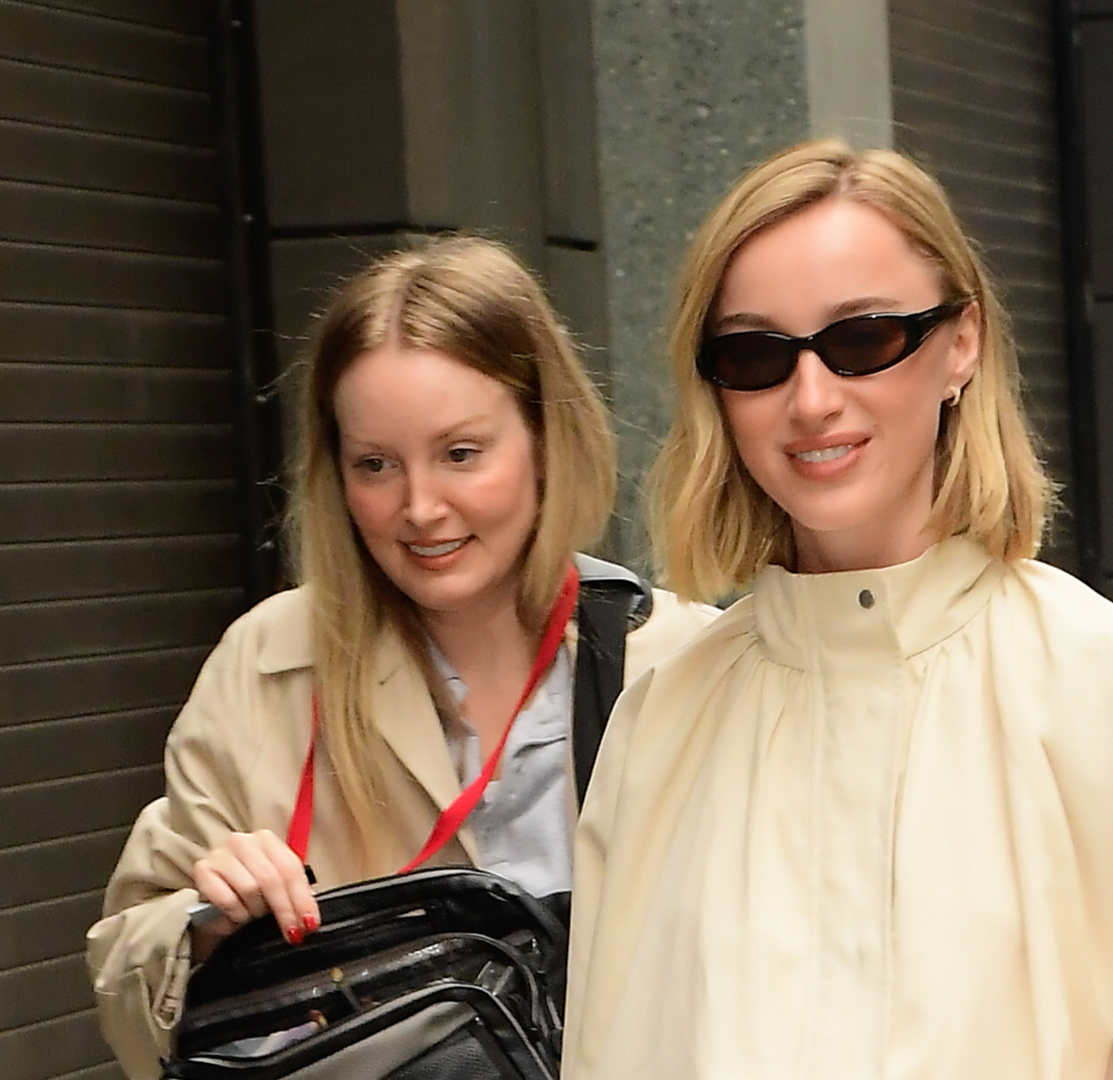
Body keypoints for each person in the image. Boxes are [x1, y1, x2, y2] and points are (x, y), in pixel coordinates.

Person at [561, 140, 1113, 1080]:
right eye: (756, 354)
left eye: (862, 340)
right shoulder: (659, 722)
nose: (811, 399)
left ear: (960, 344)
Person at [84, 236, 717, 1079]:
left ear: (544, 437)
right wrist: (205, 921)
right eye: (375, 465)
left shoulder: (682, 668)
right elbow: (125, 968)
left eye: (461, 454)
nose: (419, 508)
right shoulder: (271, 663)